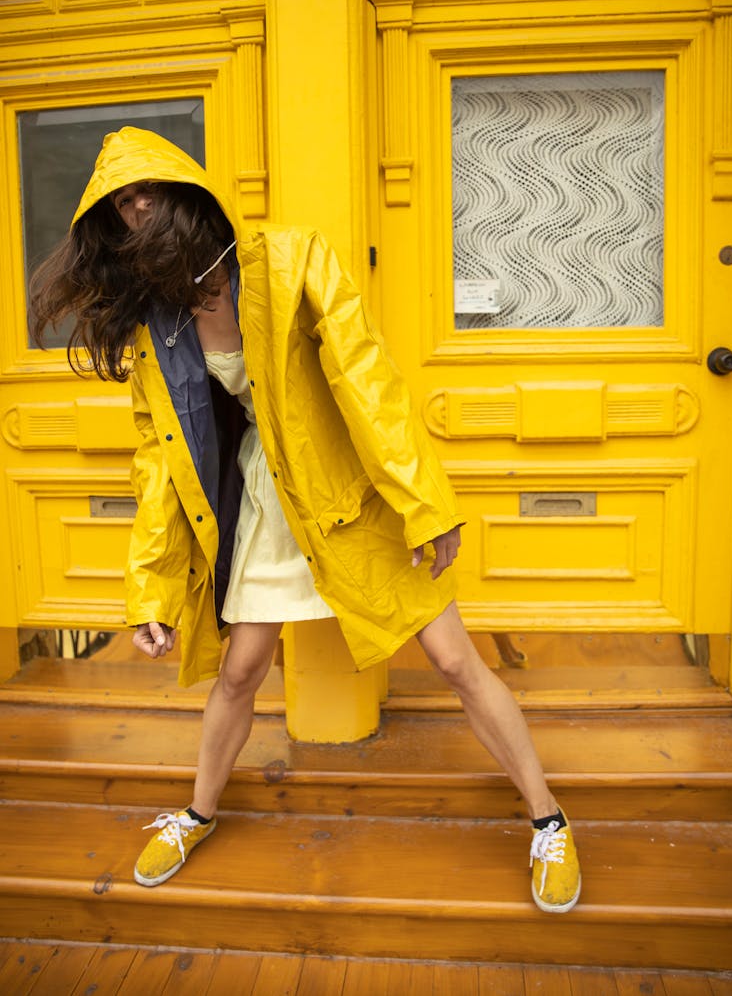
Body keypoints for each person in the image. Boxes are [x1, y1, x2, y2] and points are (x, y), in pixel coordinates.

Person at [30, 126, 581, 913]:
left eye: (147, 188)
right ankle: (196, 811)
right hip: (265, 497)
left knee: (456, 662)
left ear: (188, 191)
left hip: (349, 492)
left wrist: (424, 503)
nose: (137, 205)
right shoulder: (162, 321)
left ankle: (549, 817)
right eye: (121, 202)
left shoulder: (287, 258)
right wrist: (147, 588)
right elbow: (158, 455)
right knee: (241, 671)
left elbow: (367, 378)